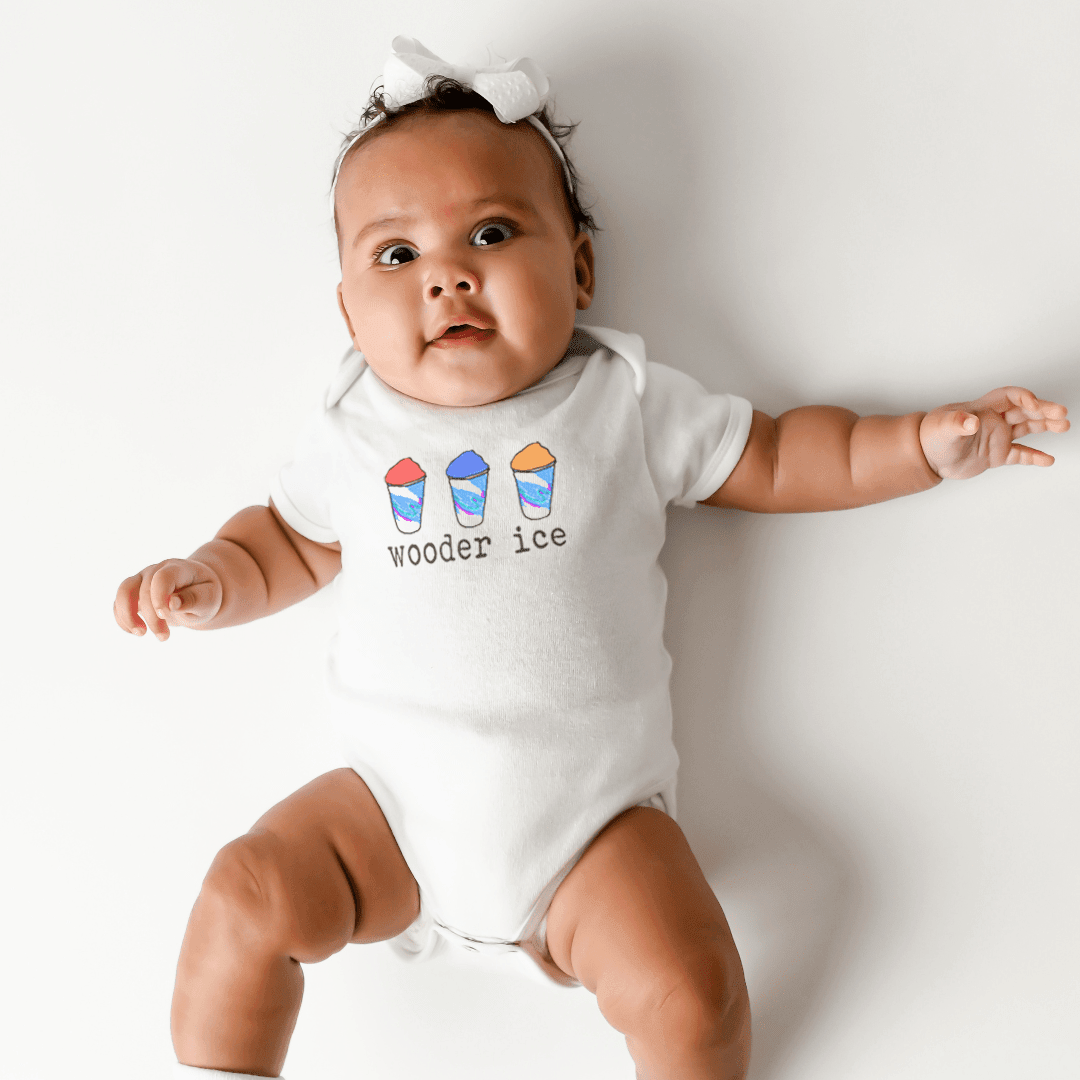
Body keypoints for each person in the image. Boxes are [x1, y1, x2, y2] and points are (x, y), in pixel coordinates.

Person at [113, 38, 1069, 1080]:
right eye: (396, 256)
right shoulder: (351, 430)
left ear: (578, 269)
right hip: (384, 820)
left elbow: (787, 455)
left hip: (592, 834)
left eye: (490, 231)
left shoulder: (620, 400)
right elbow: (287, 539)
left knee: (694, 994)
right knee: (244, 895)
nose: (447, 278)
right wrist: (209, 579)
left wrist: (926, 445)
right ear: (348, 310)